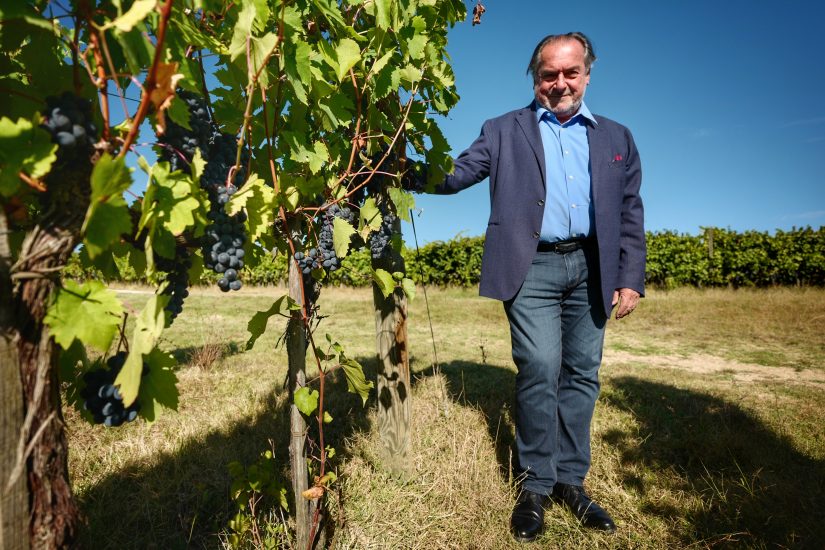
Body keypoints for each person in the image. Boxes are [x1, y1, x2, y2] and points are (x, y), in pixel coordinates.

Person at [431, 32, 645, 542]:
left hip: (593, 268)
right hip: (532, 267)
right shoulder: (504, 129)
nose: (561, 83)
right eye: (550, 74)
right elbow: (459, 173)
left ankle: (571, 482)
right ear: (535, 77)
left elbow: (630, 210)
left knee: (581, 374)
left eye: (571, 73)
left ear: (587, 74)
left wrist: (630, 277)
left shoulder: (617, 137)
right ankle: (534, 485)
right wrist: (393, 166)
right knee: (540, 367)